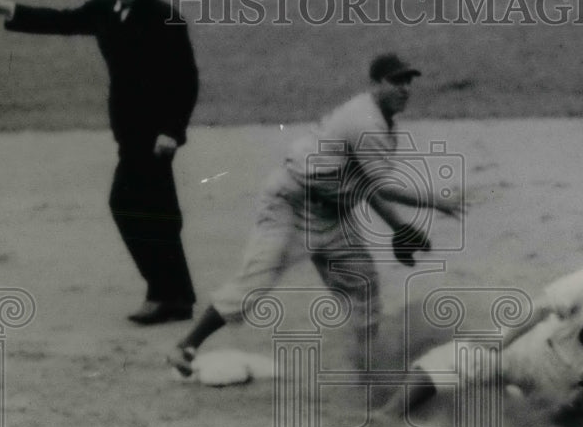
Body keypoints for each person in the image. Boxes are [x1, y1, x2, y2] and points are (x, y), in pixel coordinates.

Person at [168, 53, 462, 376]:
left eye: (408, 81)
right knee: (254, 285)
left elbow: (364, 183)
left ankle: (369, 370)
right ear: (376, 84)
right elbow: (383, 185)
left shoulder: (383, 122)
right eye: (396, 81)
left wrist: (399, 226)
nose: (405, 88)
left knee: (363, 285)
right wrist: (436, 201)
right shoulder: (365, 121)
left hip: (333, 216)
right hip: (291, 205)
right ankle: (186, 346)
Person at [0, 0, 199, 325]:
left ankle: (166, 294)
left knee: (130, 205)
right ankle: (174, 295)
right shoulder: (104, 8)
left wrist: (171, 131)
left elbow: (186, 80)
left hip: (155, 135)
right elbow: (63, 21)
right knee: (156, 210)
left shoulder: (165, 17)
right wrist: (11, 9)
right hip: (128, 129)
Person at [362, 251, 583, 427]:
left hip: (531, 353)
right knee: (580, 392)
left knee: (455, 357)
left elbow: (541, 307)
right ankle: (521, 400)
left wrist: (503, 339)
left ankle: (388, 415)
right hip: (559, 389)